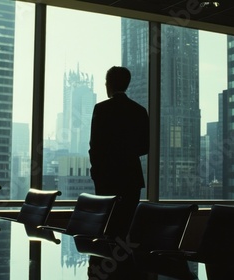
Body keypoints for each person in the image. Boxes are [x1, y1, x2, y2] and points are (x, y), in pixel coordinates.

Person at [87, 66, 149, 279]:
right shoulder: (140, 111)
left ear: (109, 84)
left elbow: (94, 146)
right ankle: (123, 272)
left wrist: (98, 172)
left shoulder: (101, 109)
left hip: (107, 179)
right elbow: (145, 147)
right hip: (131, 179)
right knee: (124, 230)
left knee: (107, 229)